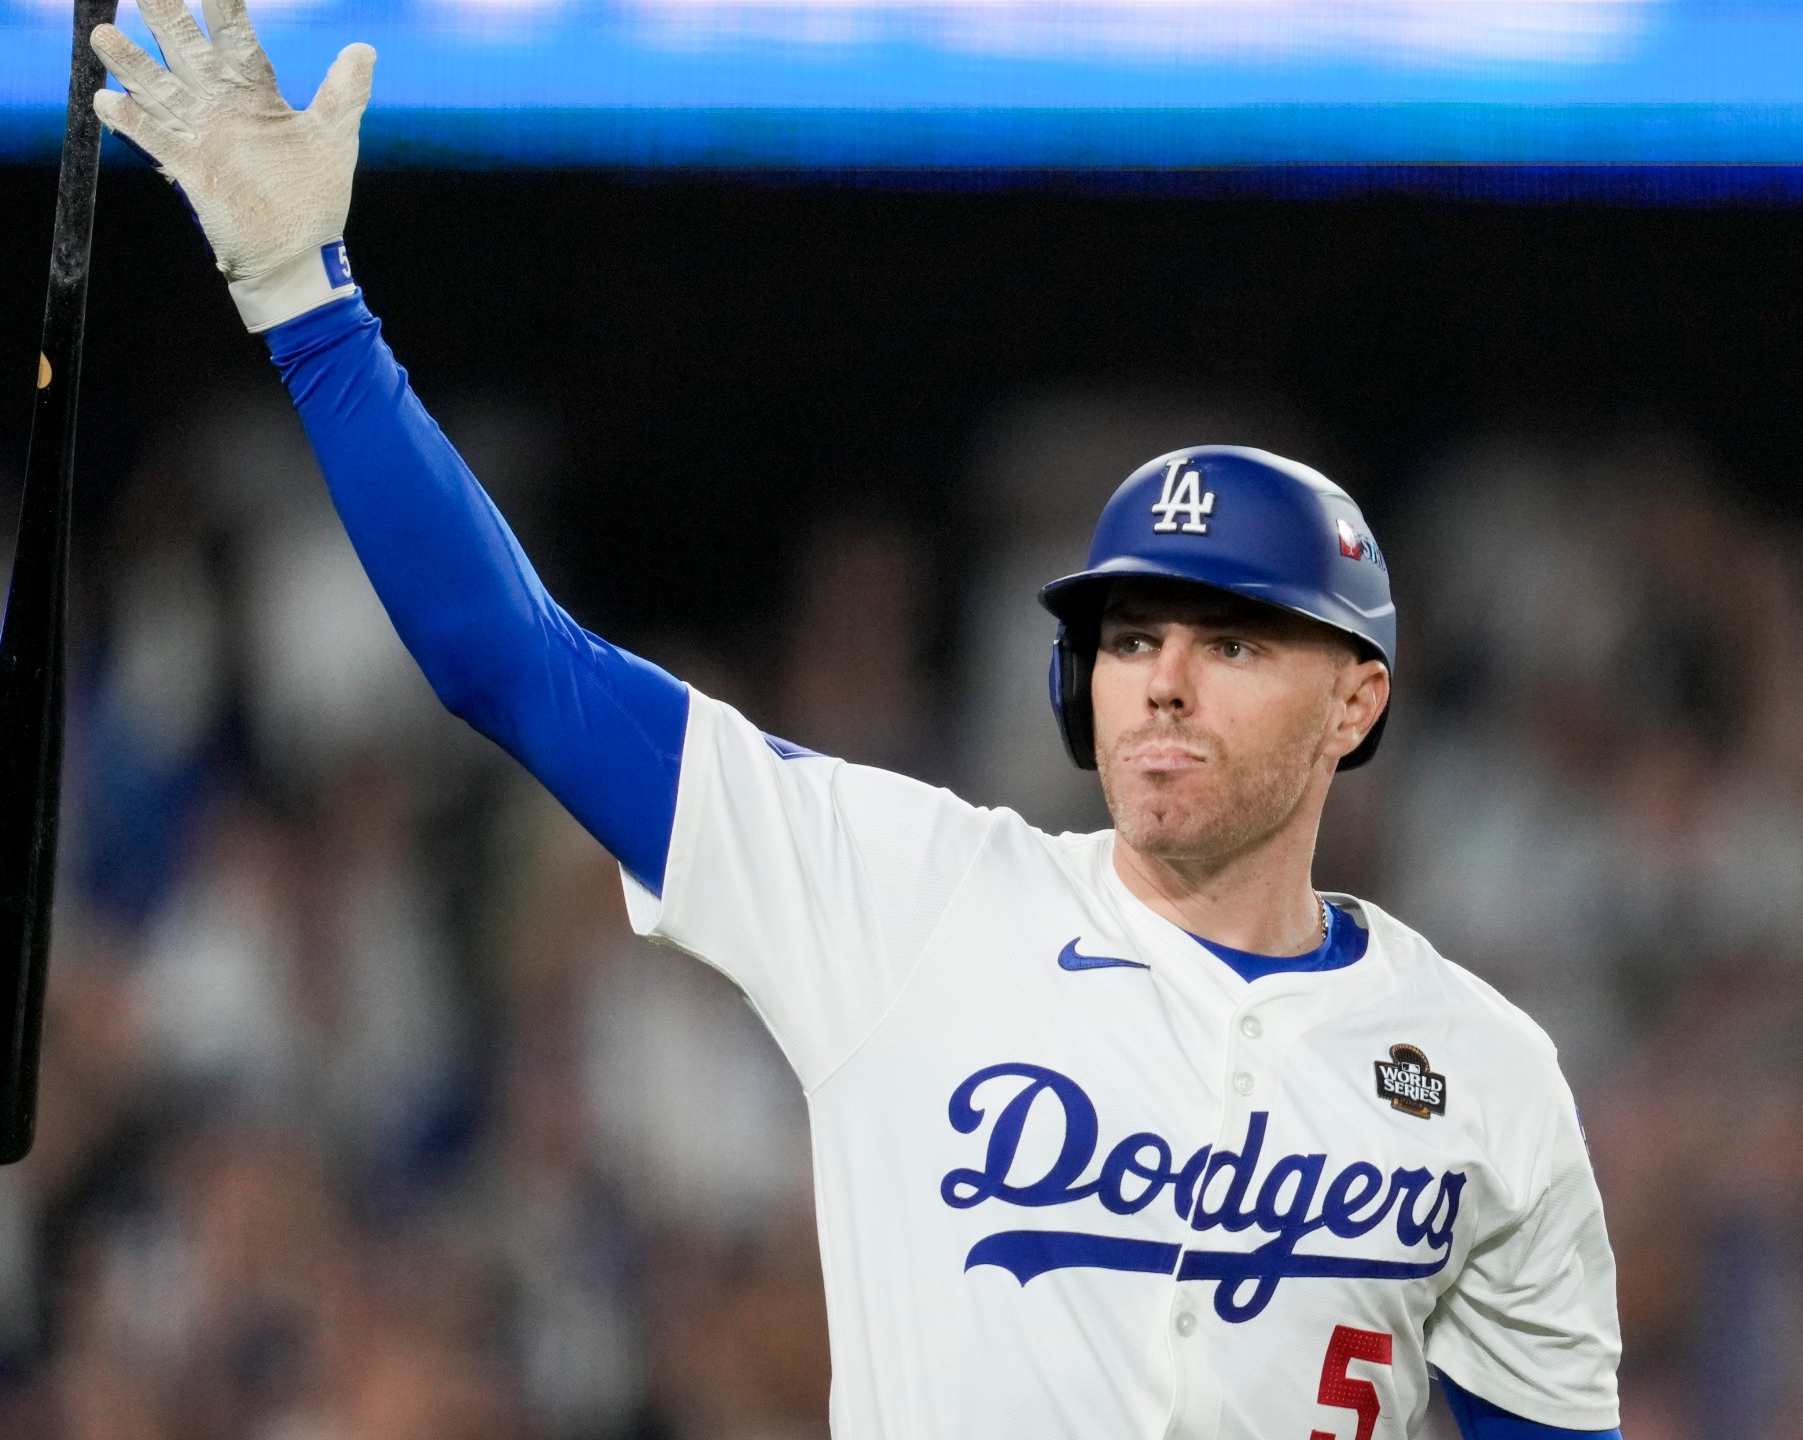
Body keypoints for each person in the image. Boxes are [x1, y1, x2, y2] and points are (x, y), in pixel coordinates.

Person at [85, 3, 1623, 1434]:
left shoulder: (1479, 1073)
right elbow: (514, 661)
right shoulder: (912, 897)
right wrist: (307, 304)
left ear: (1358, 701)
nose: (1162, 675)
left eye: (1231, 641)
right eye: (1130, 633)